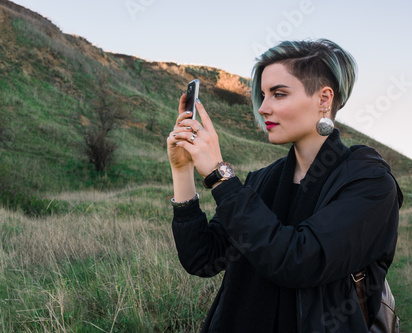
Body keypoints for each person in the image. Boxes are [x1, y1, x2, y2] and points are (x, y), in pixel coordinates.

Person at [166, 39, 403, 333]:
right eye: (263, 95)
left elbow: (298, 260)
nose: (263, 108)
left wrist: (220, 175)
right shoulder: (262, 180)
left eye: (279, 94)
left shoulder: (370, 183)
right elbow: (202, 258)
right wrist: (182, 171)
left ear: (324, 99)